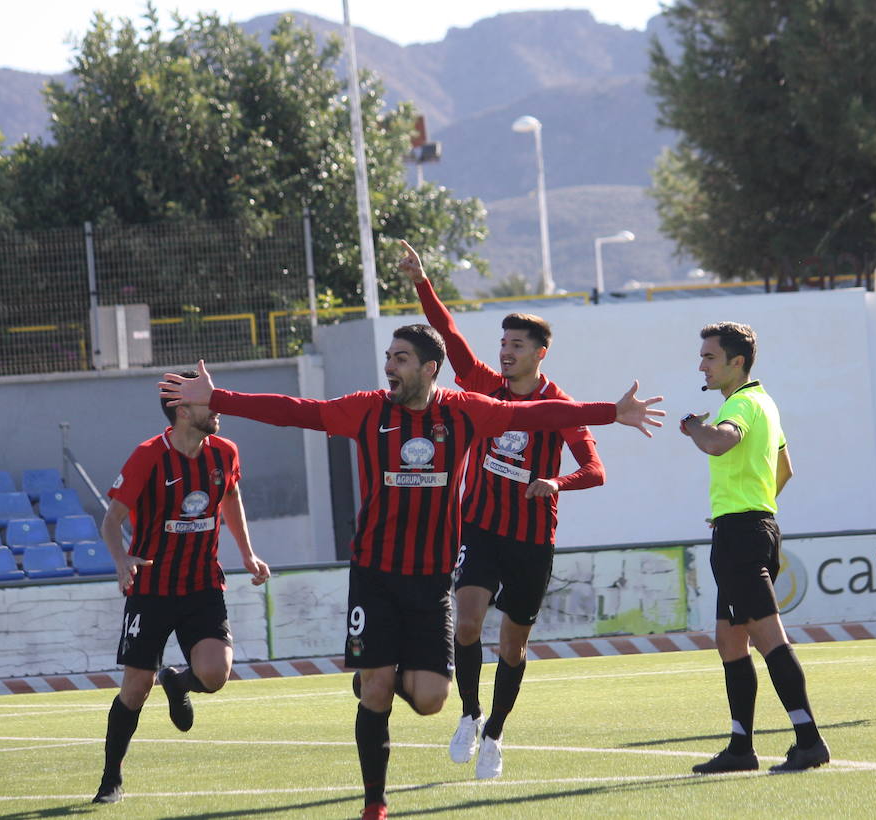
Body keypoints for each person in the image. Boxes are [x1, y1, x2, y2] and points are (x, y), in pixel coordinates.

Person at [159, 342, 662, 820]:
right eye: (388, 357)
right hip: (374, 574)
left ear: (427, 368)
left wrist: (609, 412)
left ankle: (380, 678)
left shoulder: (465, 411)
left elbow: (538, 415)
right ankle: (375, 803)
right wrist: (220, 398)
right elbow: (296, 410)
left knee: (430, 700)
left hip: (431, 583)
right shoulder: (367, 409)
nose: (389, 367)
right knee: (378, 692)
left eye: (400, 358)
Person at [397, 240, 606, 780]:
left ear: (540, 353)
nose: (506, 352)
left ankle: (494, 733)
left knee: (513, 647)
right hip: (480, 529)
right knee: (467, 622)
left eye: (517, 344)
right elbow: (451, 338)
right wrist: (422, 282)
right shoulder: (487, 388)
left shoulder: (560, 407)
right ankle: (470, 713)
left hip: (532, 542)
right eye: (503, 343)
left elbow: (595, 470)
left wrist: (556, 482)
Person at [92, 372, 271, 804]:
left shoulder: (225, 452)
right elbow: (111, 519)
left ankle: (178, 682)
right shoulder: (148, 456)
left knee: (215, 674)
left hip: (201, 584)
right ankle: (110, 780)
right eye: (208, 402)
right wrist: (121, 560)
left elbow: (230, 497)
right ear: (184, 411)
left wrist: (247, 553)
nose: (218, 407)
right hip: (151, 588)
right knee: (136, 687)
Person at [680, 321, 829, 775]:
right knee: (729, 640)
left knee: (769, 639)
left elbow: (720, 442)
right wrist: (751, 503)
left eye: (709, 357)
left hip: (742, 537)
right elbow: (785, 469)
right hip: (750, 528)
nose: (701, 365)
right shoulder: (765, 402)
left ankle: (809, 740)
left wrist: (694, 428)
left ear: (737, 361)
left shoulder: (741, 404)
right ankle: (741, 748)